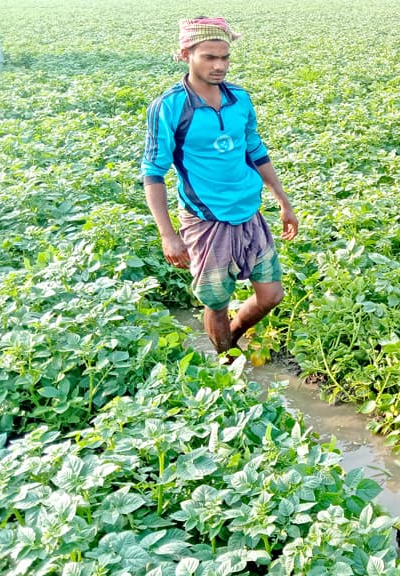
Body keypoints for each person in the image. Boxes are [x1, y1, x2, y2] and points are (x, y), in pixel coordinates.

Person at [141, 17, 298, 355]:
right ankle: (226, 362)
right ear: (186, 54)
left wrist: (283, 202)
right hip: (205, 218)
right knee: (216, 301)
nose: (219, 65)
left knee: (271, 295)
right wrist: (168, 235)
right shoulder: (169, 107)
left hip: (249, 211)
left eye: (224, 57)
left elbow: (255, 150)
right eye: (209, 57)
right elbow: (153, 173)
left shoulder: (239, 99)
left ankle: (234, 335)